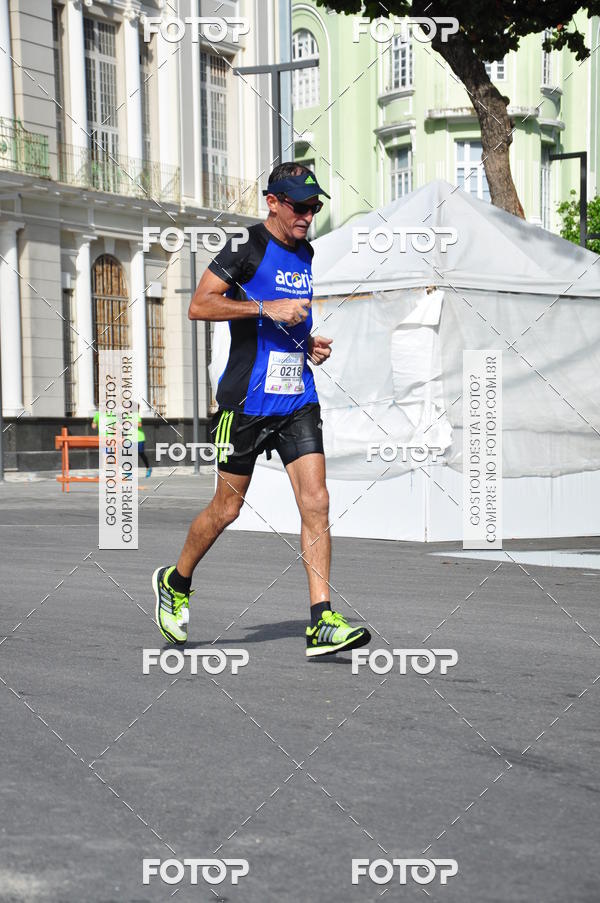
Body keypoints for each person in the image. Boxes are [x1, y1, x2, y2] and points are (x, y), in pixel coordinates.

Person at [152, 162, 371, 657]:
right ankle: (176, 580)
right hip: (246, 403)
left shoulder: (306, 251)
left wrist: (306, 340)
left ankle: (321, 620)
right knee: (227, 508)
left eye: (314, 207)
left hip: (297, 398)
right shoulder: (244, 248)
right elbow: (200, 306)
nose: (307, 215)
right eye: (298, 206)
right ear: (272, 201)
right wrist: (264, 307)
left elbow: (285, 323)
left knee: (316, 501)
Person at [91, 410, 151, 478]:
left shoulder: (135, 415)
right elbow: (120, 426)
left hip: (139, 438)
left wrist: (129, 423)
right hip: (128, 438)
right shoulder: (125, 417)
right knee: (128, 455)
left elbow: (139, 424)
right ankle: (128, 472)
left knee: (141, 453)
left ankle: (148, 467)